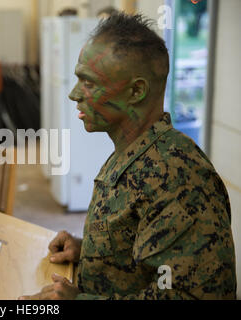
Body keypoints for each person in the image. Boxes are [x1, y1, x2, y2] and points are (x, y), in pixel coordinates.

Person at [20, 13, 236, 300]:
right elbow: (146, 257)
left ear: (136, 91)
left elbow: (187, 295)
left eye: (89, 83)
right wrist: (89, 251)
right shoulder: (134, 153)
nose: (74, 94)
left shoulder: (177, 177)